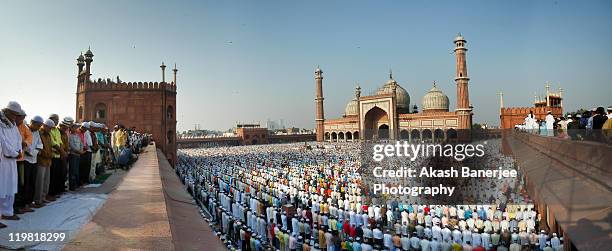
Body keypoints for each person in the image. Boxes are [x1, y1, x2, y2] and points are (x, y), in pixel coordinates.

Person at [0, 102, 25, 224]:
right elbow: (3, 143)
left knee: (10, 187)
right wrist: (15, 153)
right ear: (8, 112)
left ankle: (8, 212)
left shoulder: (13, 125)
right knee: (1, 187)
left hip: (12, 161)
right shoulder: (0, 124)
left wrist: (19, 150)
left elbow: (18, 139)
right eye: (14, 114)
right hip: (3, 161)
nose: (15, 117)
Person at [23, 116, 44, 211]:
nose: (39, 127)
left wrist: (35, 152)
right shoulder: (25, 130)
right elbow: (26, 147)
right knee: (26, 183)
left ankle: (30, 202)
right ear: (32, 122)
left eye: (40, 126)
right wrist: (34, 152)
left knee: (32, 182)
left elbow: (40, 144)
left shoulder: (37, 132)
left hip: (34, 161)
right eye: (38, 125)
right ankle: (24, 204)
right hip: (26, 160)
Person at [34, 119, 54, 207]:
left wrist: (50, 155)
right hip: (41, 160)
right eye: (49, 128)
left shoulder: (48, 135)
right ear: (45, 126)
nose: (50, 130)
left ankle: (43, 197)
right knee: (40, 181)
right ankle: (38, 200)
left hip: (48, 161)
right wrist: (46, 154)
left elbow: (50, 147)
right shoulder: (39, 133)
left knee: (46, 181)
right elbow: (39, 147)